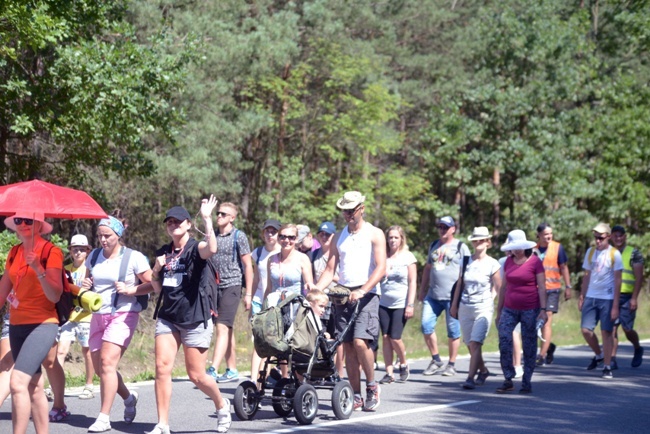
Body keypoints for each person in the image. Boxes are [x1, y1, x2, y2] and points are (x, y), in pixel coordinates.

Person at [148, 198, 231, 434]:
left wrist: (206, 218)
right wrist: (156, 269)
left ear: (187, 224)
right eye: (169, 222)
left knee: (196, 375)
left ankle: (221, 404)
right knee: (162, 368)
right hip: (168, 317)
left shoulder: (195, 248)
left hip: (195, 317)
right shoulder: (164, 252)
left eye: (177, 221)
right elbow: (157, 289)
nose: (173, 225)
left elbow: (212, 248)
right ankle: (162, 424)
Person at [310, 191, 386, 412]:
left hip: (368, 293)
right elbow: (330, 269)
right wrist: (316, 289)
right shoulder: (339, 236)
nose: (347, 215)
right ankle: (356, 394)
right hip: (342, 294)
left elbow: (381, 268)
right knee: (349, 346)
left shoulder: (375, 233)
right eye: (344, 210)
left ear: (361, 208)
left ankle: (371, 386)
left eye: (351, 210)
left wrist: (363, 290)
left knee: (362, 342)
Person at [83, 213, 153, 432]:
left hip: (124, 313)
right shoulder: (93, 256)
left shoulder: (134, 257)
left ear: (118, 235)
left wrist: (132, 290)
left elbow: (154, 283)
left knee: (107, 364)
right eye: (100, 236)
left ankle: (104, 417)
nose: (103, 240)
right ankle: (129, 397)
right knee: (100, 369)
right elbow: (88, 282)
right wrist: (85, 284)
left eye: (108, 236)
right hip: (97, 315)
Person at [0, 212, 64, 434]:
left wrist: (39, 269)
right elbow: (3, 291)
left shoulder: (51, 252)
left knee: (17, 383)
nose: (24, 224)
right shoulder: (14, 251)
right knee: (34, 386)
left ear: (39, 224)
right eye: (19, 220)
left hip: (43, 324)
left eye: (29, 220)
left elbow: (55, 295)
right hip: (17, 325)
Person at [495, 229, 546, 394]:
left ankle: (527, 380)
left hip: (530, 308)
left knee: (529, 343)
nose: (516, 250)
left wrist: (543, 309)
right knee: (504, 339)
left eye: (519, 247)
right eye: (513, 247)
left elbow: (542, 287)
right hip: (509, 308)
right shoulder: (508, 262)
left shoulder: (535, 262)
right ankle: (508, 377)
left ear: (525, 246)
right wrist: (499, 310)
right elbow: (503, 287)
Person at [207, 202, 253, 383]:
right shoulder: (213, 235)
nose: (219, 216)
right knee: (227, 329)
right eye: (218, 213)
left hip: (232, 285)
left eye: (224, 214)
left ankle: (213, 368)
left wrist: (248, 293)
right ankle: (232, 368)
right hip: (214, 286)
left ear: (232, 218)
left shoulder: (239, 236)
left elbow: (248, 265)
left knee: (221, 327)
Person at [419, 216, 470, 377]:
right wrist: (422, 289)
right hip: (433, 295)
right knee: (426, 325)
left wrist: (464, 294)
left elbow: (468, 271)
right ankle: (436, 359)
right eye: (440, 227)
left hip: (452, 297)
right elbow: (428, 268)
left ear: (453, 229)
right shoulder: (434, 245)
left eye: (445, 227)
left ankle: (452, 364)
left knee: (453, 331)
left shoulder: (461, 247)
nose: (442, 230)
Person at [451, 227, 501, 390]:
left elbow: (499, 287)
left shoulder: (493, 263)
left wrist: (498, 307)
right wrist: (454, 305)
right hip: (465, 306)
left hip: (483, 308)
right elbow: (460, 284)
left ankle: (470, 378)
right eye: (475, 240)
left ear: (488, 242)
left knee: (475, 342)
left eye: (481, 240)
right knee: (469, 344)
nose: (478, 242)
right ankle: (483, 370)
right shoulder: (465, 261)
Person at [580, 223, 623, 379]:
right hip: (591, 296)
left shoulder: (614, 254)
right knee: (586, 330)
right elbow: (586, 275)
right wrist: (582, 296)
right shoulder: (590, 252)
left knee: (606, 332)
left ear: (608, 237)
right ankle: (598, 355)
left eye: (601, 238)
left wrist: (615, 306)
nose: (598, 241)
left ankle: (607, 366)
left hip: (608, 298)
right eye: (596, 238)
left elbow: (618, 280)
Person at [378, 226, 416, 384]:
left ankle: (403, 362)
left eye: (396, 237)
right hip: (383, 302)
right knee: (385, 337)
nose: (393, 240)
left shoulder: (408, 257)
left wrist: (410, 304)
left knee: (395, 337)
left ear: (401, 239)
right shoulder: (382, 257)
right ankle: (389, 373)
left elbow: (413, 281)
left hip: (400, 303)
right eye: (390, 237)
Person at [59, 235, 96, 400]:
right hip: (68, 317)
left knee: (87, 350)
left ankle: (89, 385)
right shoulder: (64, 269)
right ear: (70, 251)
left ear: (88, 251)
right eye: (75, 249)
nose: (79, 252)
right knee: (60, 351)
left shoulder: (92, 269)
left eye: (82, 249)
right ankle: (56, 386)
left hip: (86, 317)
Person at [534, 223, 572, 367]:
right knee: (535, 322)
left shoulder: (557, 247)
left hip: (552, 289)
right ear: (539, 235)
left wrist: (568, 286)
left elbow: (564, 267)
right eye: (545, 234)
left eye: (550, 233)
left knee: (546, 320)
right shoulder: (533, 249)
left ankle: (541, 355)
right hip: (536, 290)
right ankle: (549, 347)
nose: (549, 236)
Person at [248, 218, 281, 385]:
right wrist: (249, 297)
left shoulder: (283, 251)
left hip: (275, 301)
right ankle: (254, 380)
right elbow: (255, 279)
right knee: (258, 341)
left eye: (273, 231)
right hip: (258, 300)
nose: (270, 234)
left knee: (271, 342)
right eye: (267, 231)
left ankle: (265, 375)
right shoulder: (258, 252)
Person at [311, 221, 344, 377]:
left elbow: (342, 277)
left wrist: (332, 277)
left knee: (337, 337)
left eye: (327, 234)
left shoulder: (337, 254)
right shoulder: (313, 255)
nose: (324, 237)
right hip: (321, 302)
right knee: (322, 335)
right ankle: (323, 369)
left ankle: (339, 372)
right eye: (321, 234)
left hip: (336, 300)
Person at [610, 225, 644, 368]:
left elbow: (639, 277)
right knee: (611, 327)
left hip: (627, 295)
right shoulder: (608, 252)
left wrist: (634, 298)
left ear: (625, 237)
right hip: (611, 295)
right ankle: (612, 359)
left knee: (627, 328)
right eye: (615, 235)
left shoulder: (634, 253)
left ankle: (637, 347)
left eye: (621, 235)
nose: (618, 238)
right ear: (611, 237)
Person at [264, 224, 313, 305]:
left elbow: (309, 286)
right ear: (278, 238)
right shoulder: (271, 259)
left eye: (291, 237)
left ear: (296, 239)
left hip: (295, 308)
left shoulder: (303, 259)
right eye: (282, 236)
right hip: (274, 308)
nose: (286, 240)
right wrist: (264, 308)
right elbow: (269, 288)